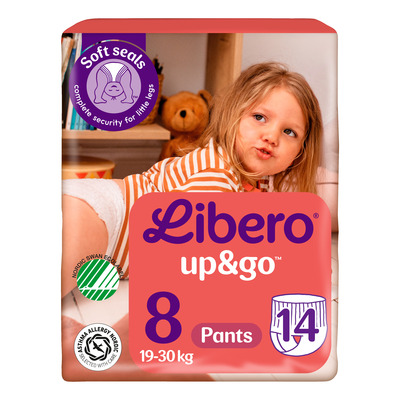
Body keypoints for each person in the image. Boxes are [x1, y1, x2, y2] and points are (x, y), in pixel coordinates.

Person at [62, 62, 323, 297]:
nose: (272, 136)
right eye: (259, 118)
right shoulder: (217, 174)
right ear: (233, 115)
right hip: (103, 215)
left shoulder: (257, 184)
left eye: (289, 132)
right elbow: (195, 262)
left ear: (301, 151)